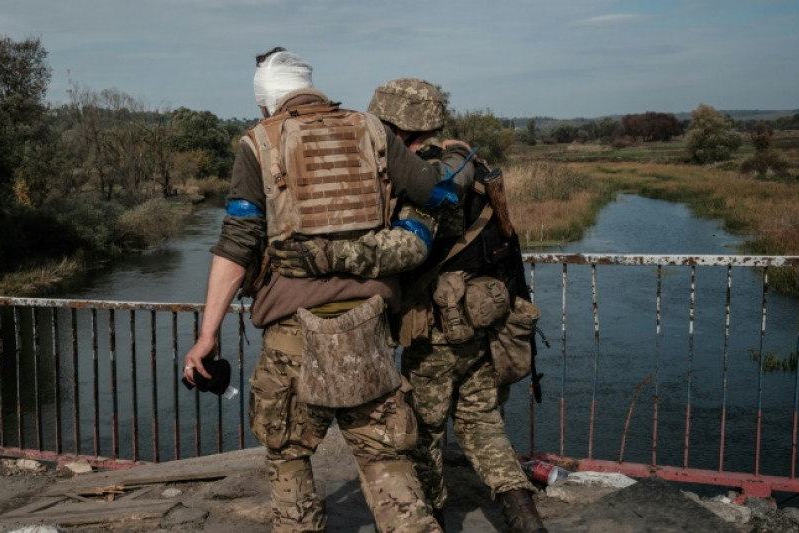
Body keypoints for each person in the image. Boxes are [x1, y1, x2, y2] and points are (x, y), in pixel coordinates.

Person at [183, 48, 476, 533]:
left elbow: (237, 245)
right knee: (385, 457)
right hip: (366, 329)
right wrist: (460, 155)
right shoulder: (372, 130)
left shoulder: (259, 142)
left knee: (289, 456)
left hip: (291, 336)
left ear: (265, 101)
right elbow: (438, 192)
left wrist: (207, 334)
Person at [270, 78, 548, 533]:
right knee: (481, 419)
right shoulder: (468, 167)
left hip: (439, 327)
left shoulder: (426, 178)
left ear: (395, 128)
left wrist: (323, 256)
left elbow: (406, 249)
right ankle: (524, 514)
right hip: (487, 317)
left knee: (420, 431)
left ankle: (430, 517)